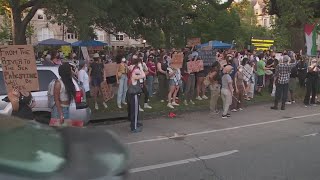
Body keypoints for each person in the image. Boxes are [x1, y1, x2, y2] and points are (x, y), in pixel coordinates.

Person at [127, 58, 146, 133]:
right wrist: (140, 67)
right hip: (133, 94)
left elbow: (131, 67)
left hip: (133, 93)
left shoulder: (132, 70)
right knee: (134, 111)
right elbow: (143, 75)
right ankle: (134, 128)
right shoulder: (134, 73)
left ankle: (135, 123)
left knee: (135, 110)